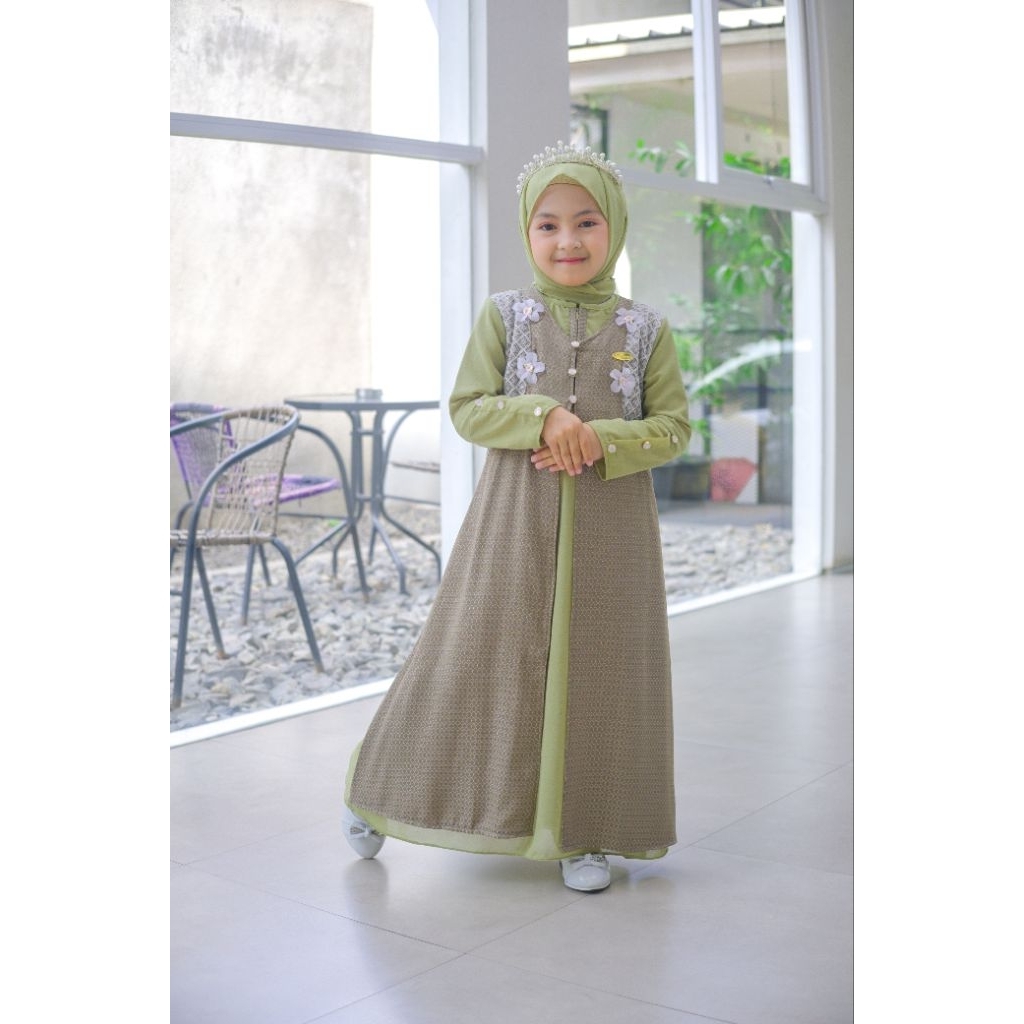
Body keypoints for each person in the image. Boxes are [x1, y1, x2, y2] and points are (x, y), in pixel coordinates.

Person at [342, 141, 691, 893]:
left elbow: (674, 428)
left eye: (587, 221)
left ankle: (586, 831)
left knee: (605, 669)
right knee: (471, 655)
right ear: (527, 231)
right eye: (548, 225)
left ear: (615, 225)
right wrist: (543, 417)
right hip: (513, 519)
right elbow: (468, 407)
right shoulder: (505, 315)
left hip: (614, 528)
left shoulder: (648, 328)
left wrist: (599, 437)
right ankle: (382, 789)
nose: (568, 241)